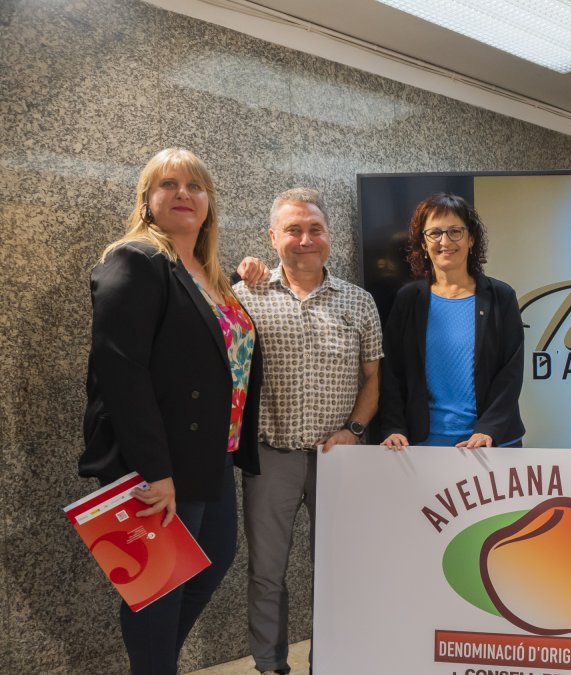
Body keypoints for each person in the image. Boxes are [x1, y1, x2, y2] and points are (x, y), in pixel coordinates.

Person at [80, 148, 262, 675]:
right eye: (168, 185)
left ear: (209, 205)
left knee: (211, 565)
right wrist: (153, 471)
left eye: (195, 186)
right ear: (147, 201)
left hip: (213, 455)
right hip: (160, 464)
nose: (183, 193)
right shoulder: (135, 260)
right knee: (157, 590)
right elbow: (120, 371)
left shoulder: (211, 276)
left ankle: (154, 665)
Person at [233, 188, 382, 675]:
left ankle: (331, 662)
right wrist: (237, 272)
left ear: (329, 238)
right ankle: (270, 666)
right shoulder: (244, 296)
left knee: (336, 573)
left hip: (337, 457)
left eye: (314, 229)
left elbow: (373, 379)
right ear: (272, 237)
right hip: (269, 455)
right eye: (293, 229)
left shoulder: (359, 303)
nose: (305, 239)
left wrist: (355, 430)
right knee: (266, 574)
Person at [380, 193, 525, 449]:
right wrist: (393, 427)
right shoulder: (408, 300)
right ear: (423, 243)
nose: (445, 241)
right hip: (423, 444)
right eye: (434, 233)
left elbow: (510, 373)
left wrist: (487, 430)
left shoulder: (501, 297)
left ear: (471, 238)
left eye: (455, 231)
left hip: (490, 444)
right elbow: (392, 372)